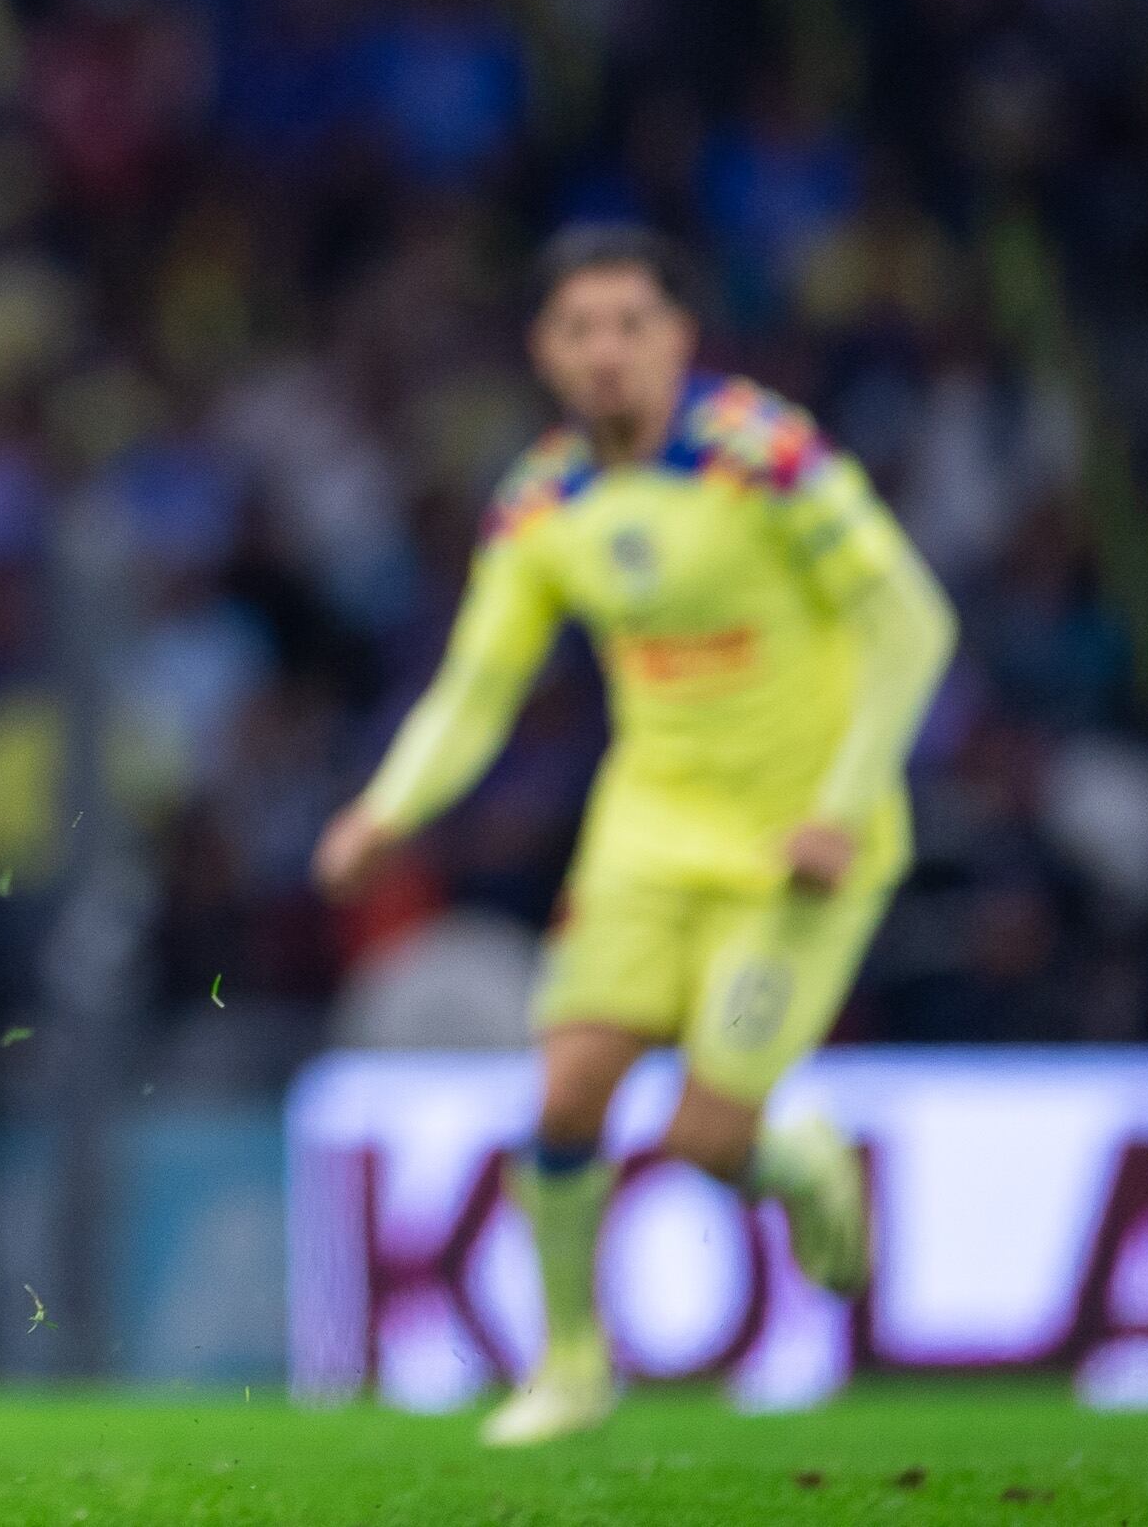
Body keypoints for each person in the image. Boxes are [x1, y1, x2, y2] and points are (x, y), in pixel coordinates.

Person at [312, 223, 957, 1446]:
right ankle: (569, 1365)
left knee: (703, 1136)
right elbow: (475, 687)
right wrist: (385, 809)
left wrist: (843, 802)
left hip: (798, 846)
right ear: (543, 352)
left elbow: (912, 624)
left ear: (677, 338)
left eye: (629, 325)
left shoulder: (763, 454)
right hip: (647, 834)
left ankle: (792, 1151)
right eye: (578, 329)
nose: (605, 352)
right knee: (563, 1095)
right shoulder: (543, 499)